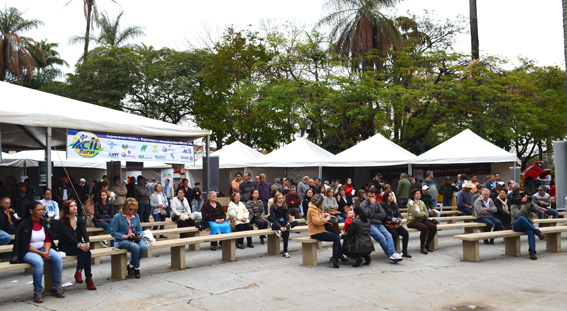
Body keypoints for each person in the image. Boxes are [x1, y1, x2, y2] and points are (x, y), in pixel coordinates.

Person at [11, 201, 64, 303]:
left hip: (43, 248)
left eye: (42, 210)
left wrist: (47, 251)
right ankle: (37, 291)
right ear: (31, 211)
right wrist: (41, 253)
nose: (41, 212)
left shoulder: (43, 222)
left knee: (57, 258)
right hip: (28, 251)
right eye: (39, 210)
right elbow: (24, 245)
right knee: (38, 262)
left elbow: (48, 240)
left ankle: (55, 286)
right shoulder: (24, 225)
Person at [57, 200, 96, 290]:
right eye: (71, 206)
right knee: (85, 251)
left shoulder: (79, 219)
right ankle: (87, 278)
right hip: (66, 246)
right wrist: (80, 245)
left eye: (75, 205)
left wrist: (87, 242)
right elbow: (68, 237)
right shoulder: (62, 222)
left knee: (86, 251)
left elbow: (84, 233)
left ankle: (81, 273)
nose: (74, 207)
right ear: (67, 209)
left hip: (78, 245)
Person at [360, 188, 403, 262]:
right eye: (369, 196)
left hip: (379, 224)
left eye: (372, 196)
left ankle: (393, 254)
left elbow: (383, 214)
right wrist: (372, 205)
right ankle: (391, 254)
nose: (371, 198)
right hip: (369, 225)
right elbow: (367, 215)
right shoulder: (364, 204)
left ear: (376, 196)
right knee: (381, 238)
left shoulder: (378, 203)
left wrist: (373, 215)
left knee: (389, 235)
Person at [110, 198, 148, 278]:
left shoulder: (136, 216)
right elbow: (113, 232)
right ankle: (137, 268)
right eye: (130, 209)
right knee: (136, 247)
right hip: (121, 240)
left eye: (134, 209)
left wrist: (138, 234)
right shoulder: (117, 217)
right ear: (125, 207)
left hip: (134, 238)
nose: (132, 211)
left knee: (144, 247)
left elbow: (140, 230)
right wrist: (124, 236)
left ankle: (131, 265)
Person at [307, 194, 347, 267]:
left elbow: (319, 215)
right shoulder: (313, 209)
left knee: (337, 236)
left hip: (319, 230)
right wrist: (326, 219)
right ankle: (335, 258)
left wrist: (325, 214)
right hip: (316, 232)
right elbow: (316, 221)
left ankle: (339, 255)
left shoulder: (315, 208)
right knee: (337, 238)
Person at [509, 187, 545, 260]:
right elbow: (518, 215)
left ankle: (532, 252)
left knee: (530, 232)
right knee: (522, 218)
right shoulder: (514, 204)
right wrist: (524, 205)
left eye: (524, 194)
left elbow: (537, 210)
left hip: (527, 226)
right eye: (521, 194)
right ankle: (537, 231)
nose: (523, 196)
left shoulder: (527, 202)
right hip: (516, 225)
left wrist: (532, 204)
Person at [381, 190, 411, 258]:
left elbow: (399, 214)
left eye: (392, 195)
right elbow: (384, 216)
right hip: (387, 225)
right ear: (385, 197)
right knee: (394, 234)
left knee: (405, 233)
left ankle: (405, 251)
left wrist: (399, 220)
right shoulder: (382, 205)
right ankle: (393, 252)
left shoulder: (394, 204)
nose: (391, 197)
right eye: (389, 196)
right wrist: (394, 220)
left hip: (396, 224)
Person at [407, 188, 437, 254]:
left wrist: (423, 214)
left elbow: (426, 213)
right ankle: (422, 247)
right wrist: (423, 214)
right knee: (424, 228)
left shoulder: (422, 202)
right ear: (413, 195)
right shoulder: (411, 203)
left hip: (421, 220)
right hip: (412, 221)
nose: (419, 195)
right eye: (417, 194)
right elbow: (416, 214)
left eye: (419, 193)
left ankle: (427, 244)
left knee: (433, 227)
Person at [269, 192, 297, 258]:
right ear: (276, 199)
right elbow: (273, 219)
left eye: (282, 198)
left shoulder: (285, 205)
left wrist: (287, 222)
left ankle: (284, 229)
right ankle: (285, 251)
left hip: (283, 223)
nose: (281, 200)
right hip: (276, 223)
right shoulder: (273, 206)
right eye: (279, 198)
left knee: (295, 223)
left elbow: (286, 217)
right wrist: (280, 227)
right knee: (286, 231)